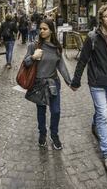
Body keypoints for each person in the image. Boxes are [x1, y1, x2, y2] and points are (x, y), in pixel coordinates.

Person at [70, 4, 107, 171]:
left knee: (100, 112)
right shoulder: (92, 37)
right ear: (101, 19)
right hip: (96, 82)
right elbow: (83, 60)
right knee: (103, 115)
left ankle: (94, 125)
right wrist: (76, 81)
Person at [23, 18, 72, 150]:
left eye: (45, 29)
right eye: (40, 29)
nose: (42, 31)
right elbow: (25, 63)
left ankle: (54, 134)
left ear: (51, 30)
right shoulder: (34, 45)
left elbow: (61, 66)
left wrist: (69, 82)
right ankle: (42, 133)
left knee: (56, 111)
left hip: (53, 83)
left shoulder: (57, 48)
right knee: (41, 111)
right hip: (39, 84)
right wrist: (33, 57)